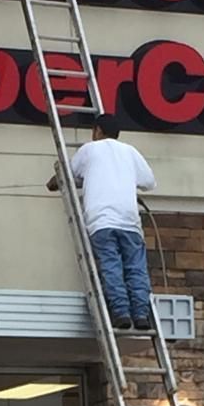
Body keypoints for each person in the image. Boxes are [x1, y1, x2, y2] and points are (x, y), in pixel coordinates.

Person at [48, 114, 156, 331]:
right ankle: (141, 314)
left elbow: (67, 175)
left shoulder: (90, 150)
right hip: (129, 222)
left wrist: (53, 182)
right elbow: (149, 182)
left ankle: (121, 312)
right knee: (136, 268)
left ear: (97, 130)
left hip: (102, 222)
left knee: (111, 266)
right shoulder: (130, 152)